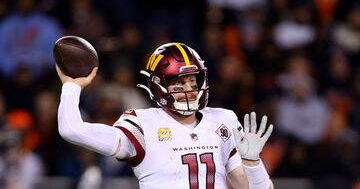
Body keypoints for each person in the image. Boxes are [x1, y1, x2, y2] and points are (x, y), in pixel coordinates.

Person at [56, 42, 274, 189]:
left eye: (192, 81)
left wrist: (252, 163)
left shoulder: (222, 120)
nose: (189, 89)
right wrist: (71, 87)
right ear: (159, 86)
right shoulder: (141, 125)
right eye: (178, 82)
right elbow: (71, 129)